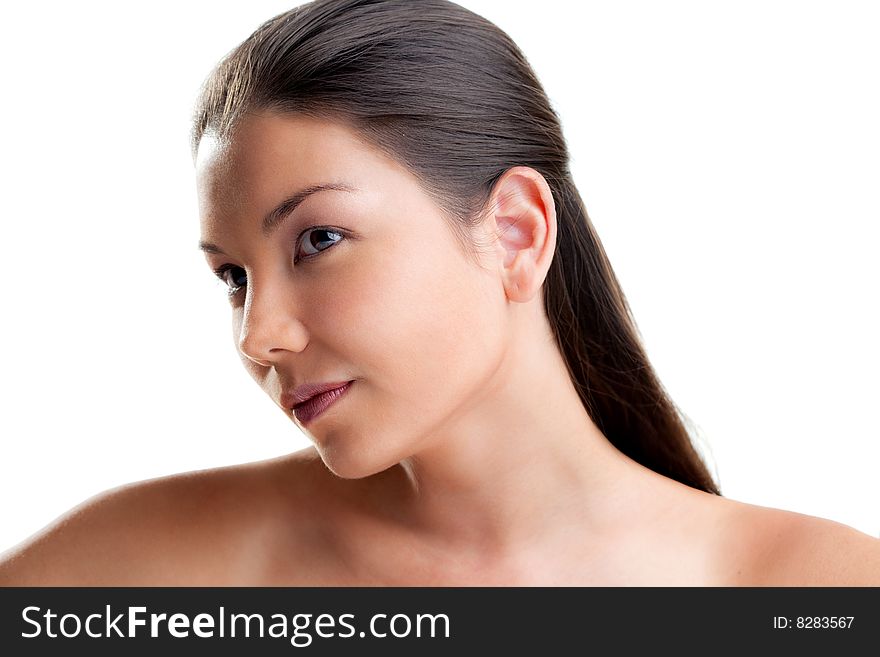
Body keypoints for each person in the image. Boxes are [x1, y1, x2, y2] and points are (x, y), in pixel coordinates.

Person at [1, 0, 878, 586]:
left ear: (516, 231)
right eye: (234, 277)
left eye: (318, 240)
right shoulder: (149, 567)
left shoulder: (815, 589)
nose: (257, 334)